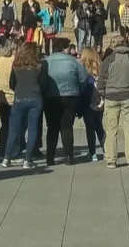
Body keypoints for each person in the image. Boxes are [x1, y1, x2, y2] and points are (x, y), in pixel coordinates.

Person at [99, 35, 129, 168]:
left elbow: (101, 81)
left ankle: (111, 159)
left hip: (111, 97)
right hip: (128, 97)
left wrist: (103, 93)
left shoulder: (108, 60)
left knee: (110, 129)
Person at [40, 37, 87, 165]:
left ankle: (50, 157)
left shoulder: (45, 62)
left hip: (50, 97)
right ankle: (69, 157)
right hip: (70, 96)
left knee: (52, 127)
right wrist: (78, 91)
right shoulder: (74, 62)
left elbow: (41, 80)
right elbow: (84, 79)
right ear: (65, 48)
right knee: (67, 127)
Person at [2, 43, 44, 168]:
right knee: (32, 130)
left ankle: (6, 157)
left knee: (14, 130)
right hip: (35, 98)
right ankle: (28, 159)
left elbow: (11, 83)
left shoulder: (16, 66)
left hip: (19, 98)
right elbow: (43, 82)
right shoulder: (39, 66)